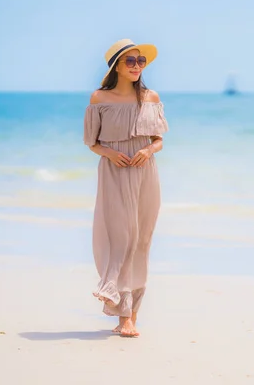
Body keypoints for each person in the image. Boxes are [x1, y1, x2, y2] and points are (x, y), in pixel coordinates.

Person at [83, 39, 168, 337]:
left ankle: (131, 316)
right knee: (123, 239)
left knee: (142, 241)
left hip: (145, 174)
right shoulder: (99, 99)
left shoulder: (150, 97)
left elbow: (159, 139)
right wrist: (110, 153)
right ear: (116, 66)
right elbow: (91, 142)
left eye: (140, 61)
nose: (136, 66)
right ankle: (119, 309)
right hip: (115, 173)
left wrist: (149, 151)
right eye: (129, 61)